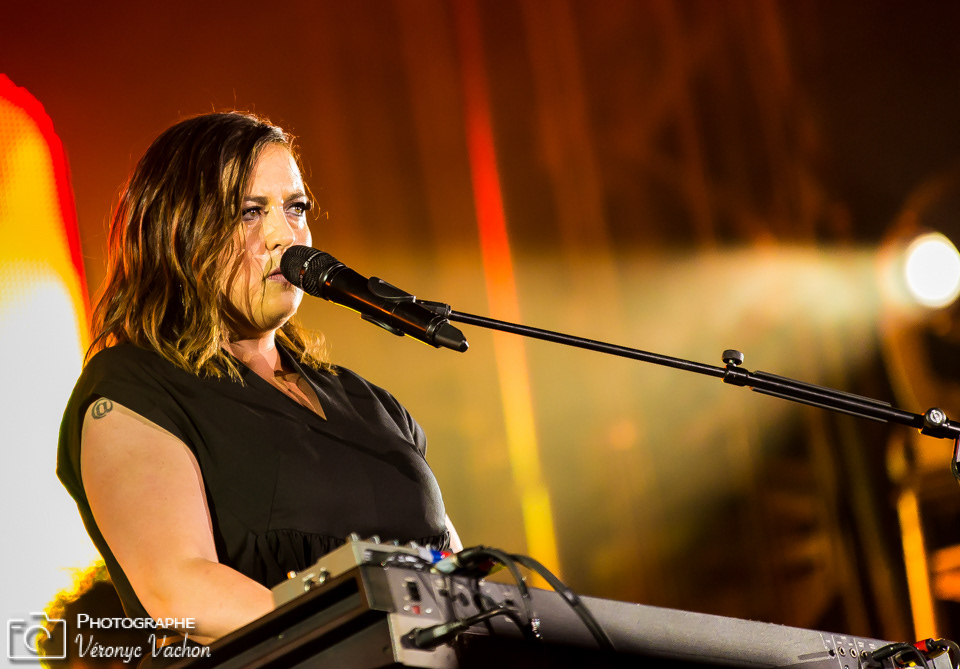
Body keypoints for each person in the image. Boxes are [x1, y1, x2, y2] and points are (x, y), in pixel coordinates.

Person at [57, 112, 462, 648]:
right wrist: (376, 635)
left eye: (295, 208)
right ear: (175, 232)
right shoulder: (135, 389)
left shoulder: (370, 404)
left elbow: (458, 580)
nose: (284, 236)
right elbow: (179, 591)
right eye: (250, 212)